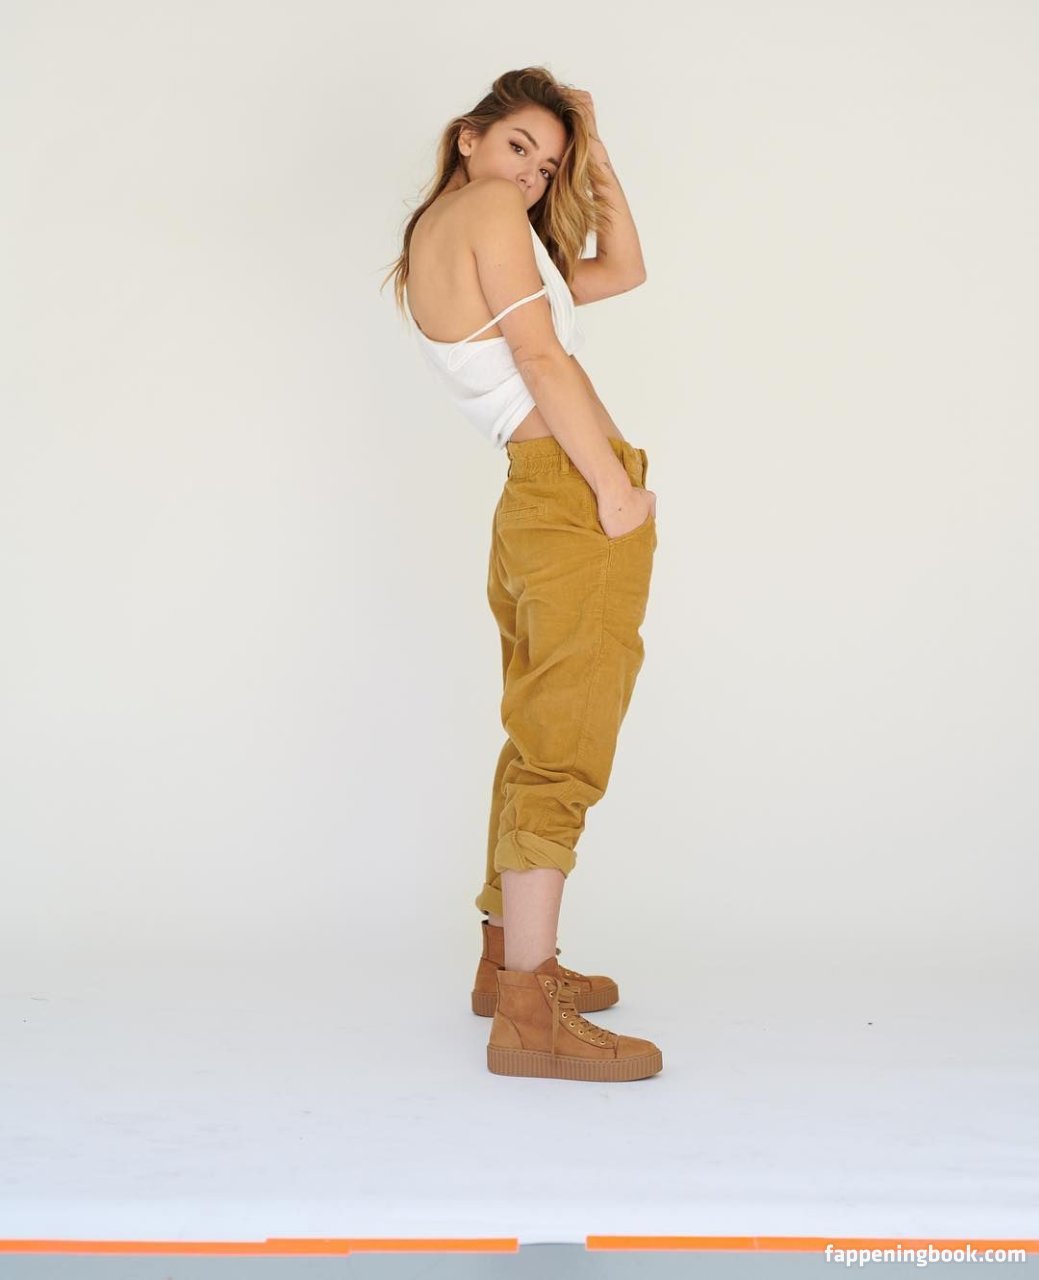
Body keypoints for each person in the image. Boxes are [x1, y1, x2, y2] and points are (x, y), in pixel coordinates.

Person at [383, 67, 662, 1082]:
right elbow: (542, 358)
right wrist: (614, 490)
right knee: (564, 746)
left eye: (546, 169)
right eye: (517, 148)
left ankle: (506, 965)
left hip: (528, 500)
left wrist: (591, 156)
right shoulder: (492, 212)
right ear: (468, 135)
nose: (530, 178)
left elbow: (622, 270)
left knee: (533, 731)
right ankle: (530, 1013)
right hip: (568, 492)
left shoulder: (443, 234)